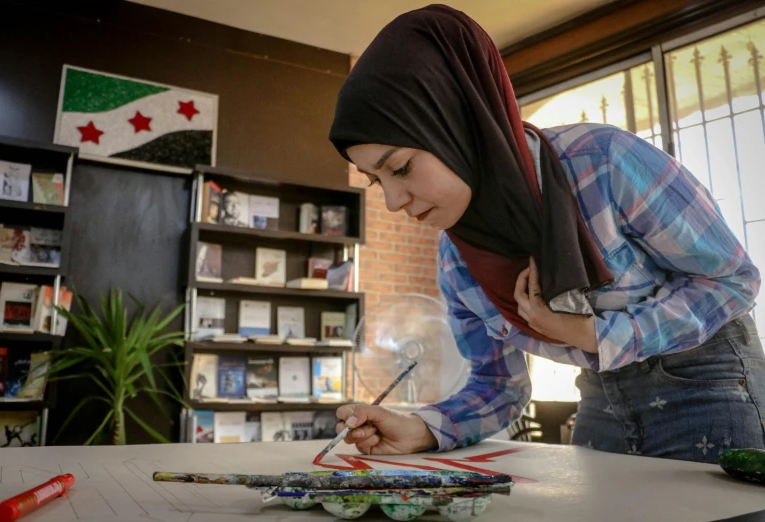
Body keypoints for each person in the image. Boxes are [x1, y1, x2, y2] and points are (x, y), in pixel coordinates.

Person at [327, 4, 764, 464]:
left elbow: (732, 281)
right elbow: (498, 387)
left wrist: (595, 335)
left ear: (458, 125)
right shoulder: (457, 260)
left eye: (401, 167)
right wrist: (420, 429)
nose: (394, 202)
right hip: (600, 398)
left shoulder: (602, 162)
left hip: (710, 383)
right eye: (378, 181)